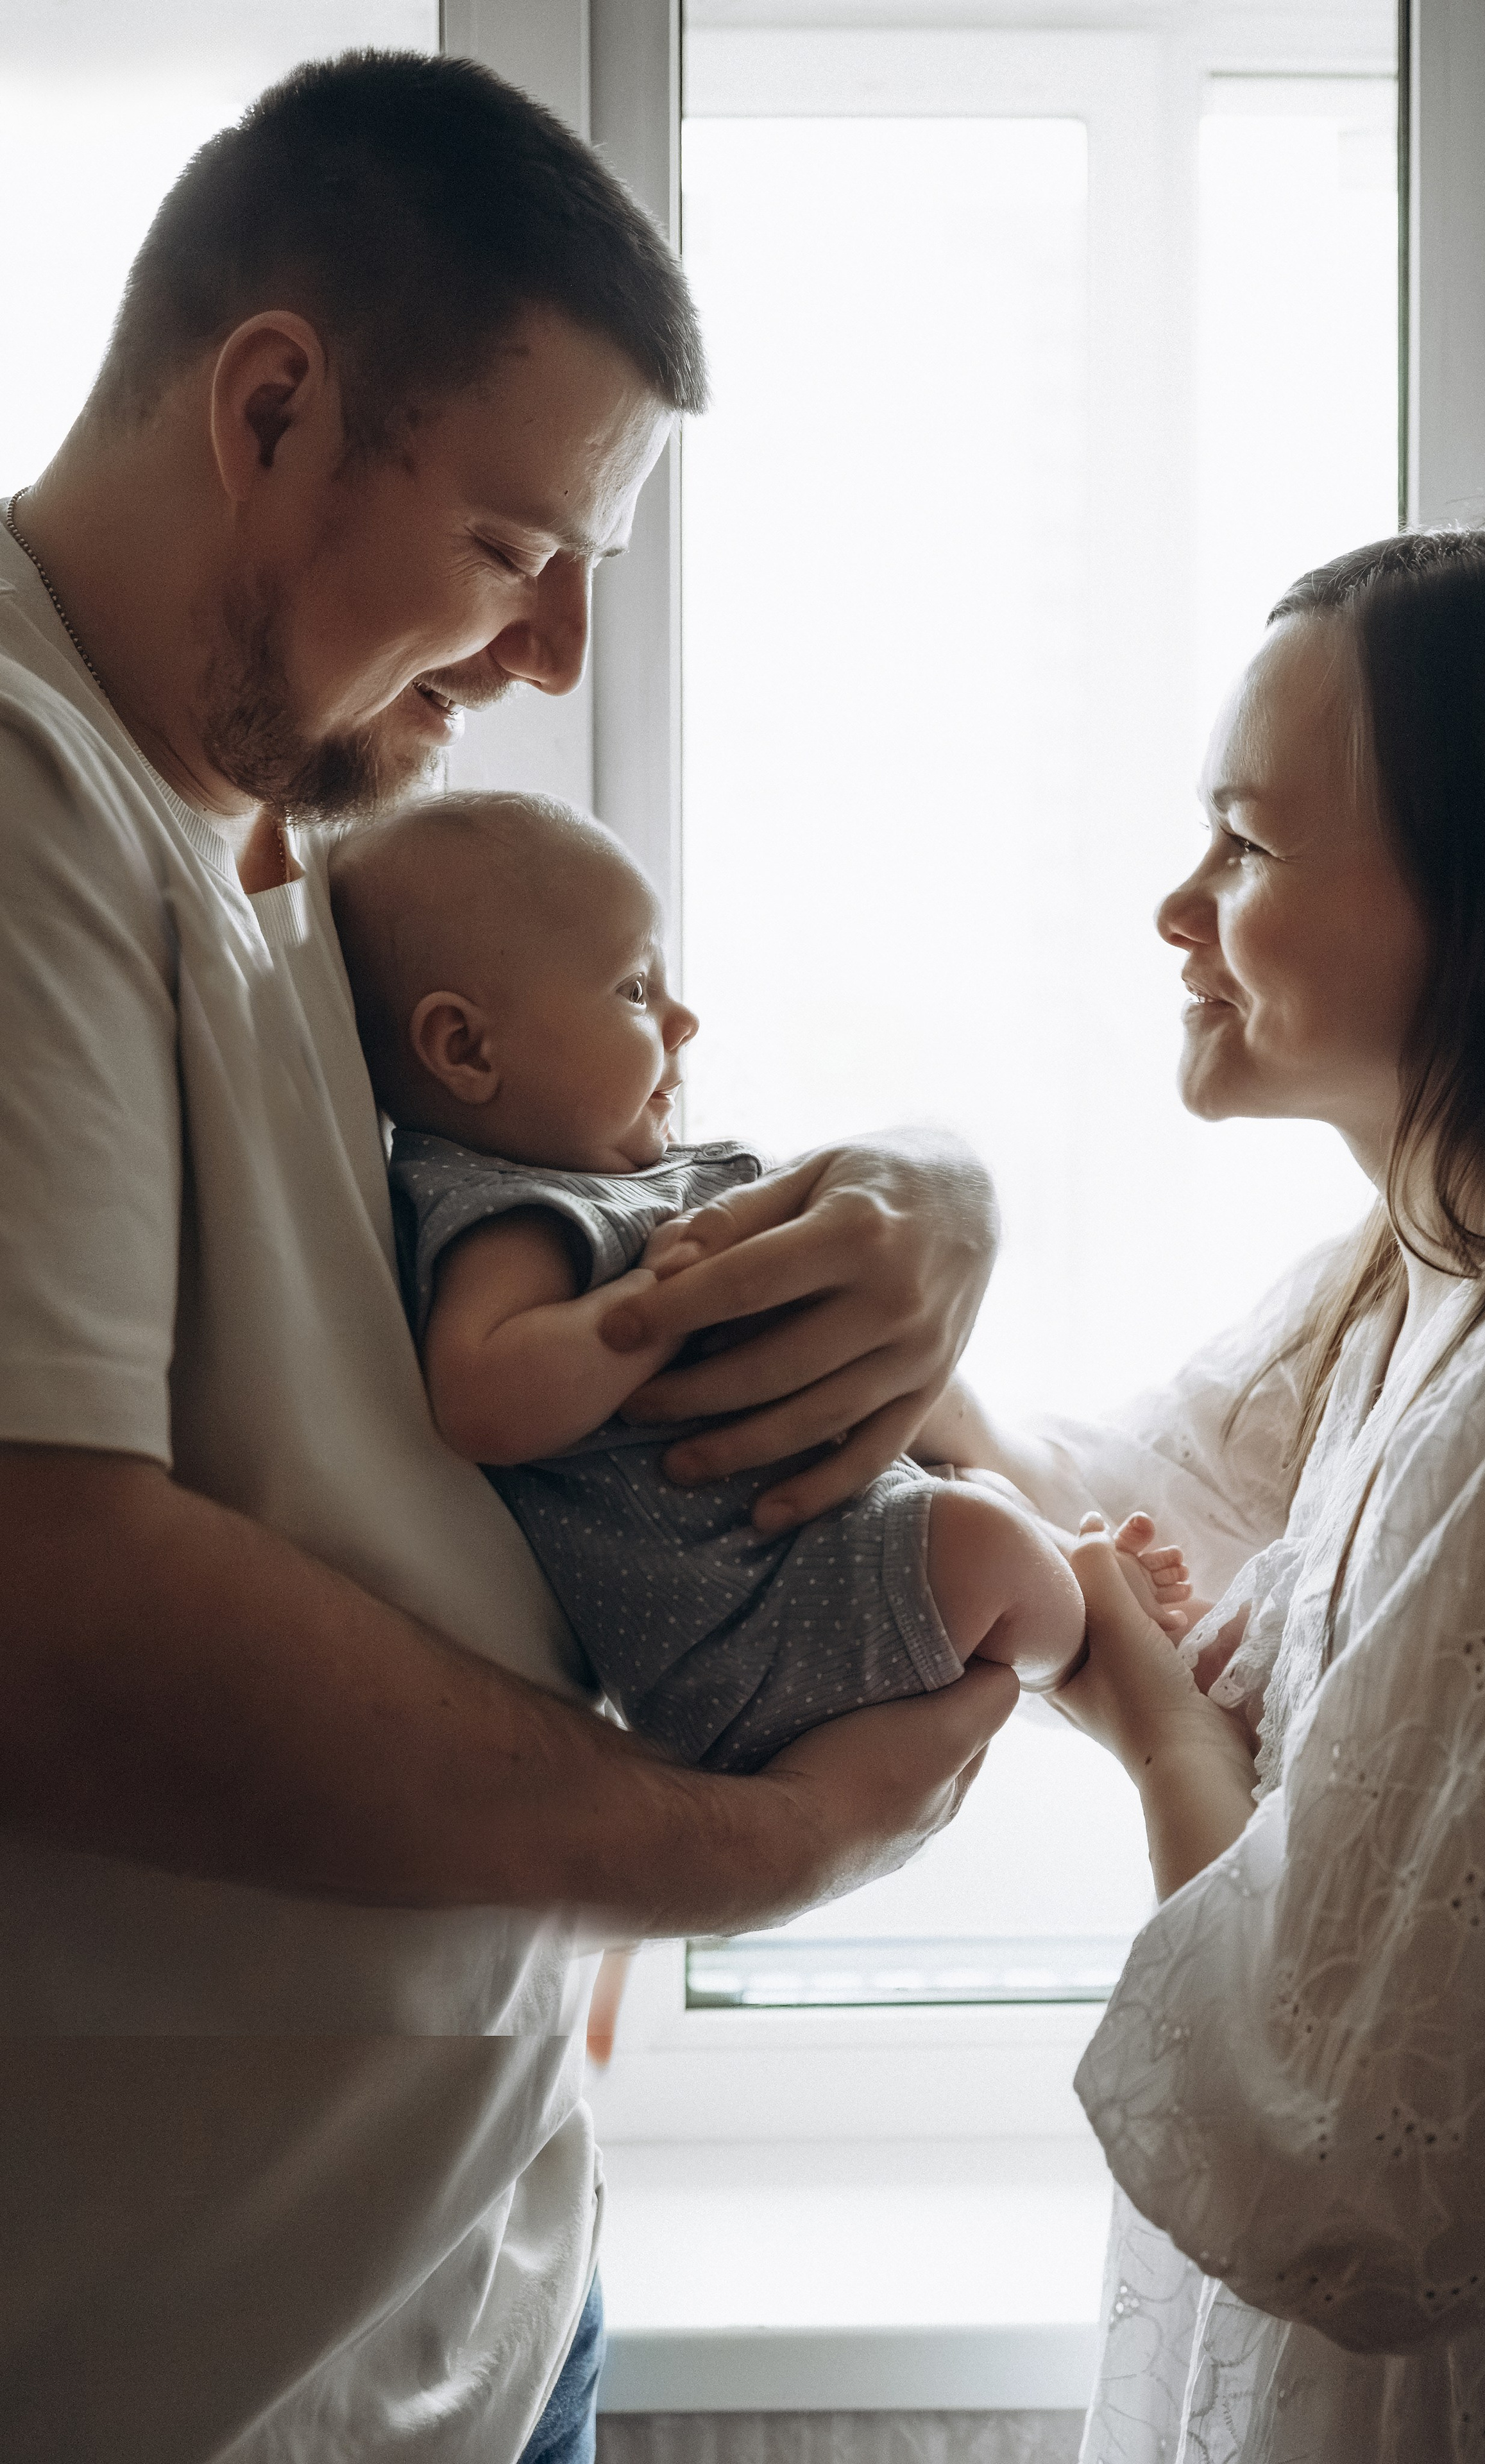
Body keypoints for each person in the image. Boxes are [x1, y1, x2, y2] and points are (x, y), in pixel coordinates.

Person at [0, 51, 1021, 2464]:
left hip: (455, 2290)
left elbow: (593, 1140)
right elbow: (47, 1610)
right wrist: (746, 1848)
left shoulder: (280, 818)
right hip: (182, 2378)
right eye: (508, 547)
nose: (552, 652)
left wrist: (940, 1185)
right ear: (270, 405)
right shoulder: (28, 797)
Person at [922, 522, 1485, 2463]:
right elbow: (1107, 1485)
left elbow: (1364, 2173)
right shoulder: (1409, 1281)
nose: (1177, 904)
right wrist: (896, 1212)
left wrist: (1152, 1717)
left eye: (1245, 842)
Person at [326, 789, 1200, 1767]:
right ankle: (1100, 1643)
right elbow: (482, 1397)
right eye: (633, 990)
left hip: (798, 1562)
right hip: (739, 1626)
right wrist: (648, 1314)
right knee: (986, 1550)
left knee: (977, 1500)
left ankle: (1070, 1574)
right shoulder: (509, 1215)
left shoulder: (612, 1178)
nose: (682, 1018)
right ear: (467, 1049)